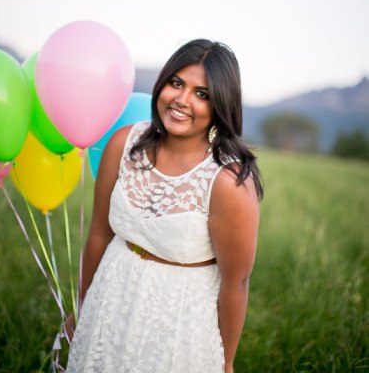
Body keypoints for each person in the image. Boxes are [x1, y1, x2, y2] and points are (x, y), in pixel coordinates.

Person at [65, 38, 263, 373]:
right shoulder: (123, 143)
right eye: (177, 83)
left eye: (202, 94)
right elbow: (99, 234)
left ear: (220, 105)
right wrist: (81, 307)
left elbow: (235, 283)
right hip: (108, 300)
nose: (182, 100)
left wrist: (226, 363)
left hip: (178, 327)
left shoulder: (227, 182)